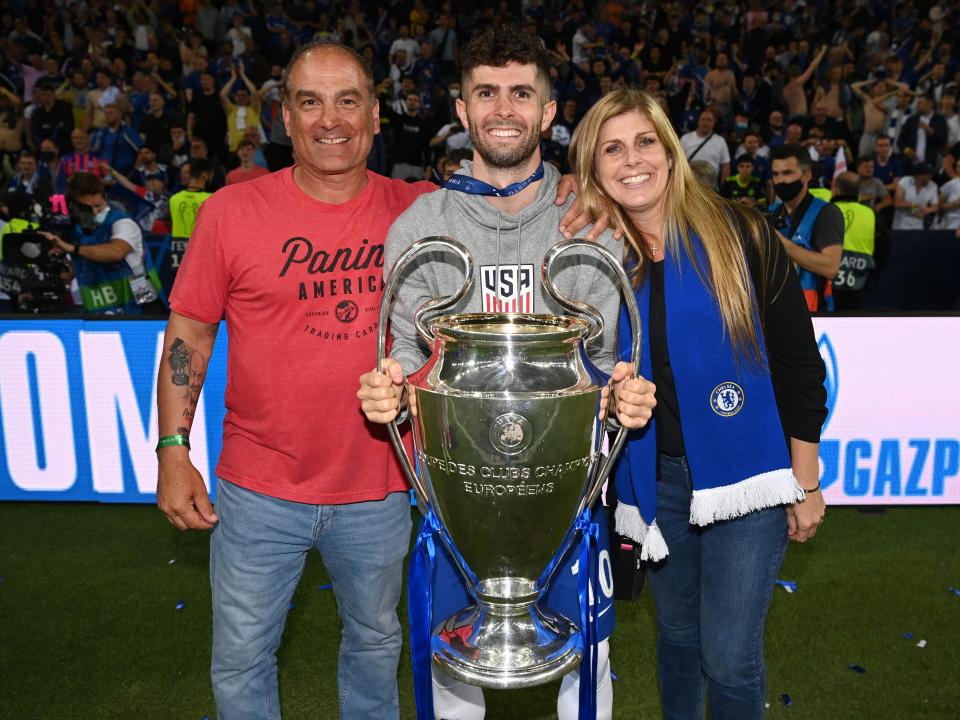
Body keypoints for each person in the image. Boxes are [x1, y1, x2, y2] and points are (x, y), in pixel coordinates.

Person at [356, 25, 655, 720]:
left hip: (567, 497)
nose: (503, 108)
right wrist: (390, 389)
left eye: (522, 93)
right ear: (461, 110)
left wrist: (624, 396)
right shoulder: (421, 224)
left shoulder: (589, 221)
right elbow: (403, 354)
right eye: (485, 93)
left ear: (549, 112)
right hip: (459, 497)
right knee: (456, 671)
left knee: (588, 665)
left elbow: (608, 364)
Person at [155, 39, 435, 720]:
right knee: (244, 656)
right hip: (257, 490)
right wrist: (172, 452)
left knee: (374, 645)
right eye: (310, 101)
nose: (329, 119)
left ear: (375, 115)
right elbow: (189, 334)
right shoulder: (231, 213)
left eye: (348, 101)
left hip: (379, 484)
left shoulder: (423, 210)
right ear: (285, 116)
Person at [570, 86, 827, 720]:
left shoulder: (740, 233)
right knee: (679, 642)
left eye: (643, 142)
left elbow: (798, 364)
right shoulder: (599, 259)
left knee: (731, 657)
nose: (631, 160)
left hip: (749, 477)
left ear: (670, 149)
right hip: (653, 481)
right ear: (595, 167)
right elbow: (584, 375)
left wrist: (806, 478)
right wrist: (607, 394)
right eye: (612, 149)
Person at [42, 172, 163, 314]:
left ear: (104, 197)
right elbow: (84, 262)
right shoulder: (75, 229)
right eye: (87, 209)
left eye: (98, 206)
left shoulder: (123, 222)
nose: (95, 212)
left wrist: (72, 249)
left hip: (140, 302)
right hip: (98, 307)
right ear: (74, 205)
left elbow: (116, 252)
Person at [768, 144, 844, 312]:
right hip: (774, 314)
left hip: (813, 317)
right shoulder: (769, 214)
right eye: (776, 174)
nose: (780, 181)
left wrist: (783, 245)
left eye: (787, 173)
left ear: (807, 175)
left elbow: (831, 267)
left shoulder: (826, 213)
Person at [830, 172, 882, 310]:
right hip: (859, 282)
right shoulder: (871, 214)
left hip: (827, 283)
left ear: (836, 189)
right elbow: (884, 249)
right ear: (859, 191)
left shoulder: (825, 210)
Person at [679, 108, 730, 184]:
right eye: (703, 119)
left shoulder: (720, 141)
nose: (705, 122)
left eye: (709, 120)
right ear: (698, 121)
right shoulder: (685, 139)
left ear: (714, 123)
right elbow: (678, 163)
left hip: (711, 188)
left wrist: (724, 188)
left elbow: (725, 166)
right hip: (689, 186)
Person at [892, 162, 939, 230]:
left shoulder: (933, 186)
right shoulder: (904, 181)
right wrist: (915, 206)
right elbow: (898, 203)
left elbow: (936, 206)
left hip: (918, 225)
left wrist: (927, 210)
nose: (931, 176)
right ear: (919, 175)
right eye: (928, 174)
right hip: (901, 225)